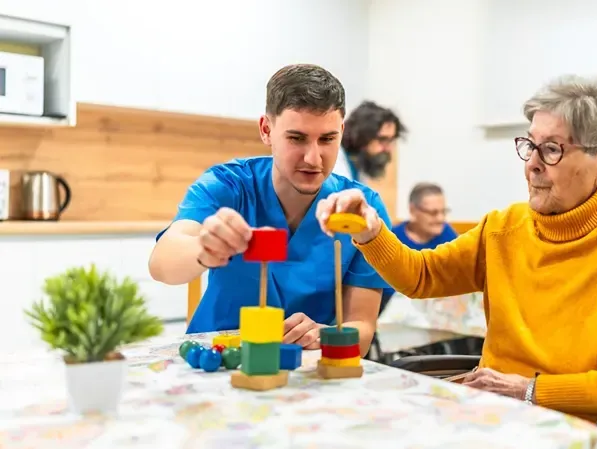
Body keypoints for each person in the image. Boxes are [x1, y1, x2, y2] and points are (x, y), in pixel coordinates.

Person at [316, 74, 597, 448]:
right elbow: (421, 276)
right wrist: (371, 233)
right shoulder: (504, 228)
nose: (532, 165)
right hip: (500, 416)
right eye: (530, 145)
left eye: (553, 150)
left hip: (587, 428)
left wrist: (533, 390)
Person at [149, 64, 391, 356]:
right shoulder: (229, 185)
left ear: (341, 131)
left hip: (305, 368)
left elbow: (362, 332)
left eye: (327, 139)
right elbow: (162, 264)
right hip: (216, 358)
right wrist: (205, 248)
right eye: (296, 138)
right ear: (266, 130)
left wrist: (326, 335)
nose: (313, 158)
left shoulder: (361, 210)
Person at [381, 182, 457, 313]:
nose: (440, 218)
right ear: (413, 210)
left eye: (443, 211)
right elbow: (385, 288)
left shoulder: (448, 235)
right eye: (433, 213)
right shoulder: (393, 238)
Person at [332, 100, 406, 182]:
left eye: (391, 140)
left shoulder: (359, 168)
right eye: (382, 140)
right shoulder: (334, 168)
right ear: (362, 137)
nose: (388, 149)